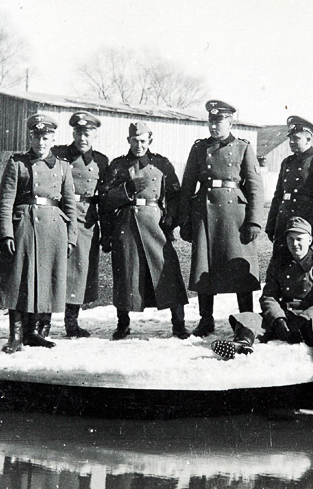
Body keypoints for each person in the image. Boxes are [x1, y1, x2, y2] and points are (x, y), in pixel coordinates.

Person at [210, 217, 313, 387]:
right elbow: (268, 296)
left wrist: (303, 319)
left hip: (309, 320)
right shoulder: (278, 264)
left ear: (309, 240)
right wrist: (278, 320)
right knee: (248, 318)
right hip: (285, 317)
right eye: (290, 239)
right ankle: (241, 345)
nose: (295, 244)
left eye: (299, 239)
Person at [0, 113, 77, 353]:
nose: (41, 142)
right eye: (37, 137)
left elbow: (69, 205)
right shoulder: (17, 163)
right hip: (24, 228)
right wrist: (5, 233)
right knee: (19, 279)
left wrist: (71, 237)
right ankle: (17, 335)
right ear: (30, 137)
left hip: (53, 230)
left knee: (47, 280)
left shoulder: (63, 167)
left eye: (46, 137)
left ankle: (37, 333)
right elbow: (5, 201)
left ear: (53, 139)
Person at [180, 99, 265, 337]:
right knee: (204, 267)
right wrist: (185, 220)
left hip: (235, 217)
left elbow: (256, 188)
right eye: (211, 121)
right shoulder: (199, 148)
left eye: (219, 122)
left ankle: (246, 319)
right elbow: (187, 187)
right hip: (204, 215)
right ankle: (205, 320)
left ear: (230, 122)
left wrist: (254, 221)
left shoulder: (243, 147)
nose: (214, 127)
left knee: (240, 267)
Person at [98, 121, 189, 340]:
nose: (138, 145)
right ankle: (123, 324)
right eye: (134, 141)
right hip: (127, 224)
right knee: (126, 274)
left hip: (155, 223)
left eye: (142, 141)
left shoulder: (162, 164)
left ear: (150, 140)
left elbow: (176, 195)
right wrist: (126, 191)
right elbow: (105, 200)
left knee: (168, 272)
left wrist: (170, 217)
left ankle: (179, 324)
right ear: (128, 141)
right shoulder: (118, 165)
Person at [51, 111, 109, 337]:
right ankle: (41, 320)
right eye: (79, 133)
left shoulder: (101, 161)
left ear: (95, 135)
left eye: (88, 134)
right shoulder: (58, 155)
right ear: (73, 133)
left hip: (86, 221)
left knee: (79, 271)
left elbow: (103, 198)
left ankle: (71, 323)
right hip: (60, 216)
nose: (83, 138)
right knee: (52, 268)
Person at [265, 115, 313, 258]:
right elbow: (278, 197)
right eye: (290, 138)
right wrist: (271, 225)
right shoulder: (287, 163)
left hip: (306, 228)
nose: (291, 142)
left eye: (296, 138)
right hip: (284, 226)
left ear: (309, 139)